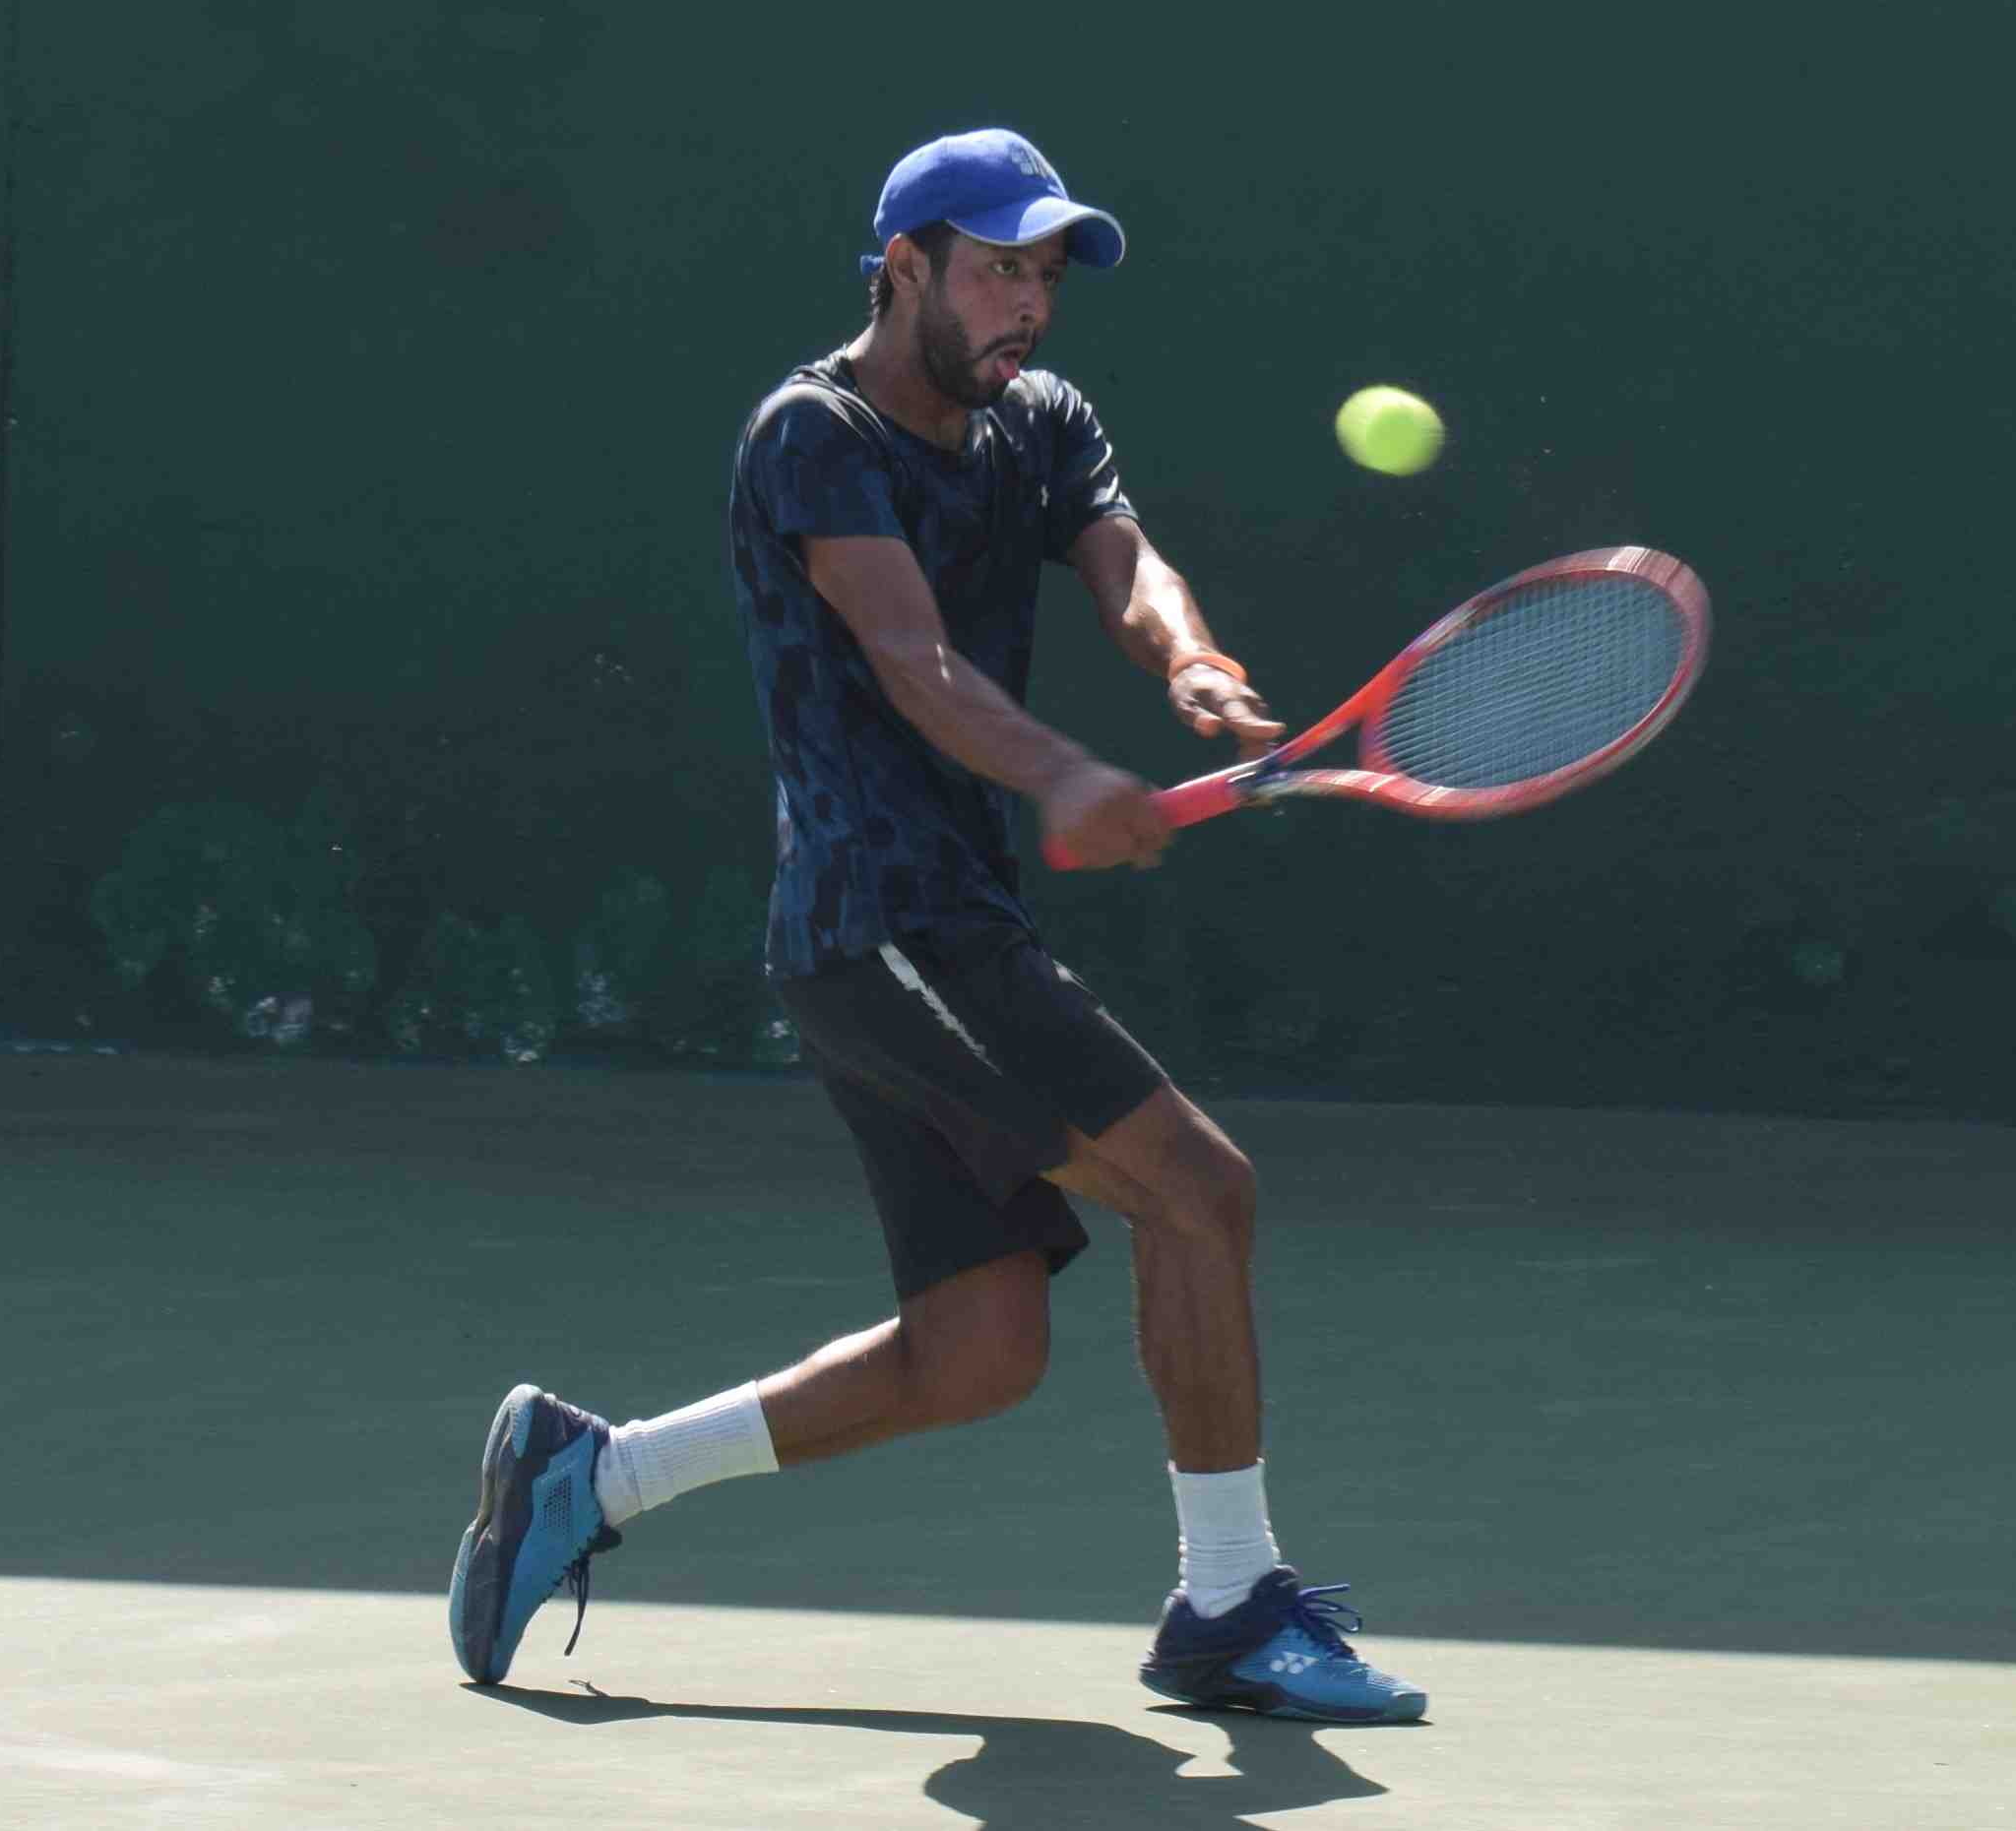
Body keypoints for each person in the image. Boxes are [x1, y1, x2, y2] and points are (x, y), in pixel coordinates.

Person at [449, 128, 1425, 1724]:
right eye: (996, 269)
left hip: (925, 935)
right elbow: (911, 658)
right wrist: (1064, 775)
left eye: (1046, 273)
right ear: (902, 269)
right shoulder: (810, 437)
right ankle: (1231, 1603)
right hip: (883, 924)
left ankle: (590, 1475)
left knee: (979, 1345)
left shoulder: (1036, 421)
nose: (1027, 304)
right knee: (1199, 1193)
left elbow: (1127, 566)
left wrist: (1185, 664)